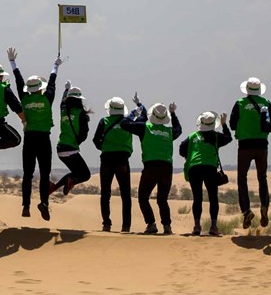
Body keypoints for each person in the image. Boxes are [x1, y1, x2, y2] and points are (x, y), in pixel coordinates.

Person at [8, 47, 62, 220]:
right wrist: (55, 65)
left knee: (28, 174)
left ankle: (26, 205)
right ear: (40, 88)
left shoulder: (24, 98)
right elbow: (52, 81)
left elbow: (18, 81)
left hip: (29, 139)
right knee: (44, 174)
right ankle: (44, 202)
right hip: (44, 139)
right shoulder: (47, 98)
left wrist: (13, 63)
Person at [121, 94, 182, 235]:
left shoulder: (145, 127)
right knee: (162, 200)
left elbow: (124, 124)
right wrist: (173, 114)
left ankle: (151, 224)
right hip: (167, 168)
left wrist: (134, 113)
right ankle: (167, 226)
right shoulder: (169, 132)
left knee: (143, 198)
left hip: (151, 167)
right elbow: (178, 129)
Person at [229, 77, 271, 229]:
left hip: (245, 145)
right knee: (262, 178)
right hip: (262, 144)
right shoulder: (266, 102)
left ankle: (246, 211)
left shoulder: (240, 103)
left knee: (242, 178)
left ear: (247, 90)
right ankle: (264, 206)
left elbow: (232, 125)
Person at [179, 111, 232, 236]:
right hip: (210, 168)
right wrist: (224, 125)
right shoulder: (216, 136)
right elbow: (229, 138)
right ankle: (213, 226)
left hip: (194, 168)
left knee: (197, 198)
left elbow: (181, 149)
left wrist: (190, 155)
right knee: (213, 197)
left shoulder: (192, 136)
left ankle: (197, 226)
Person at [93, 97, 133, 232]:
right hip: (122, 159)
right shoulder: (128, 122)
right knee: (125, 194)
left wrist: (104, 148)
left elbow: (95, 140)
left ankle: (106, 223)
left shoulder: (104, 121)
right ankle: (126, 226)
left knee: (105, 193)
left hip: (107, 159)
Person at [50, 81, 91, 196]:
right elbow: (84, 134)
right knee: (85, 175)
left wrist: (66, 90)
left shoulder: (63, 110)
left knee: (76, 172)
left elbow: (62, 102)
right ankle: (71, 182)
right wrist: (77, 141)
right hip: (71, 149)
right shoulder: (81, 113)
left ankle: (54, 187)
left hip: (60, 148)